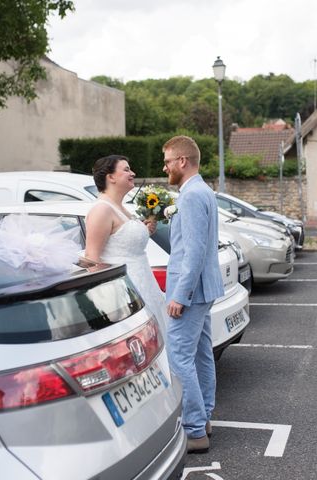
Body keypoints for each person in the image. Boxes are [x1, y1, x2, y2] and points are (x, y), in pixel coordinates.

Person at [162, 135, 224, 454]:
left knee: (179, 357)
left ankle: (194, 428)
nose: (165, 167)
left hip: (191, 291)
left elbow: (195, 252)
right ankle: (205, 418)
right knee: (200, 354)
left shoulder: (190, 195)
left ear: (183, 162)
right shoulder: (203, 190)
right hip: (204, 289)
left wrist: (179, 295)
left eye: (169, 161)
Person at [84, 155, 167, 336]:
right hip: (124, 292)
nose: (133, 173)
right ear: (110, 177)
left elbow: (122, 239)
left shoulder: (120, 208)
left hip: (143, 283)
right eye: (126, 169)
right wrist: (108, 303)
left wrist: (144, 230)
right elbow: (91, 259)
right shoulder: (102, 210)